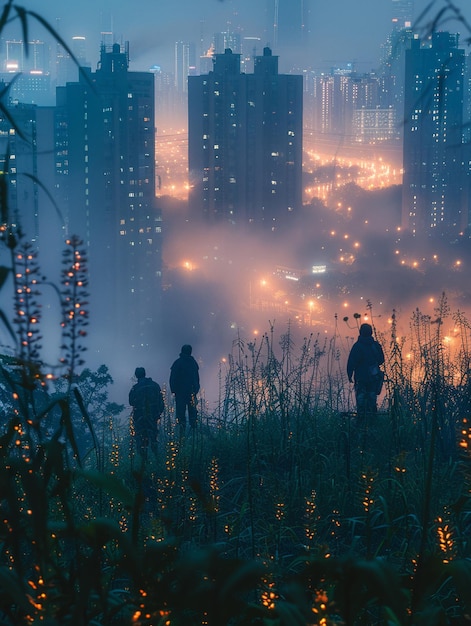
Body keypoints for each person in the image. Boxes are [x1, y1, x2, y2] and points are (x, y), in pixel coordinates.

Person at [347, 323, 385, 416]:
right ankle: (373, 421)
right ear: (371, 333)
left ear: (360, 332)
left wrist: (349, 374)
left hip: (361, 378)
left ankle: (361, 423)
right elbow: (381, 360)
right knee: (372, 400)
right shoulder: (375, 346)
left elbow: (351, 362)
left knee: (361, 401)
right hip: (373, 379)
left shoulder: (357, 346)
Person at [129, 367, 164, 456]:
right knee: (153, 437)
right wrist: (158, 413)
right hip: (153, 416)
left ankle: (143, 462)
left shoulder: (135, 388)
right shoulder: (155, 385)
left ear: (136, 376)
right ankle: (156, 459)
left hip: (140, 418)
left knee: (141, 440)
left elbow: (131, 402)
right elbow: (161, 402)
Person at [169, 344, 200, 433]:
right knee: (193, 415)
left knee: (181, 415)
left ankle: (181, 436)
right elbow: (196, 378)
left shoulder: (177, 363)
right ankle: (193, 436)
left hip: (180, 394)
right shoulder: (193, 363)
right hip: (191, 393)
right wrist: (196, 390)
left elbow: (172, 378)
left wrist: (174, 390)